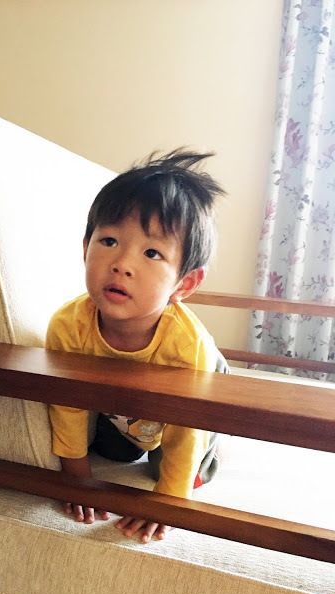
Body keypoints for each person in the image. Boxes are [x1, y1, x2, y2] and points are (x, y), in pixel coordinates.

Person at [46, 148, 229, 543]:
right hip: (126, 406)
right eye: (109, 240)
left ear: (184, 284)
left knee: (181, 469)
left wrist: (168, 502)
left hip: (195, 398)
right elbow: (67, 406)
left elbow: (186, 432)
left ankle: (215, 449)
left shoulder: (187, 347)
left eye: (151, 253)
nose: (122, 264)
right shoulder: (68, 327)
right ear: (85, 248)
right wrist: (77, 480)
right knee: (118, 451)